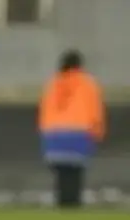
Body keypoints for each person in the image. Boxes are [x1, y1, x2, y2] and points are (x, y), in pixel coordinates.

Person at [38, 49, 105, 209]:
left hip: (53, 133)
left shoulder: (54, 83)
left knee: (61, 173)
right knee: (75, 173)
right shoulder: (87, 83)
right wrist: (97, 132)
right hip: (78, 132)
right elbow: (94, 109)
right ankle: (73, 204)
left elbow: (44, 108)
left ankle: (62, 203)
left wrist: (45, 133)